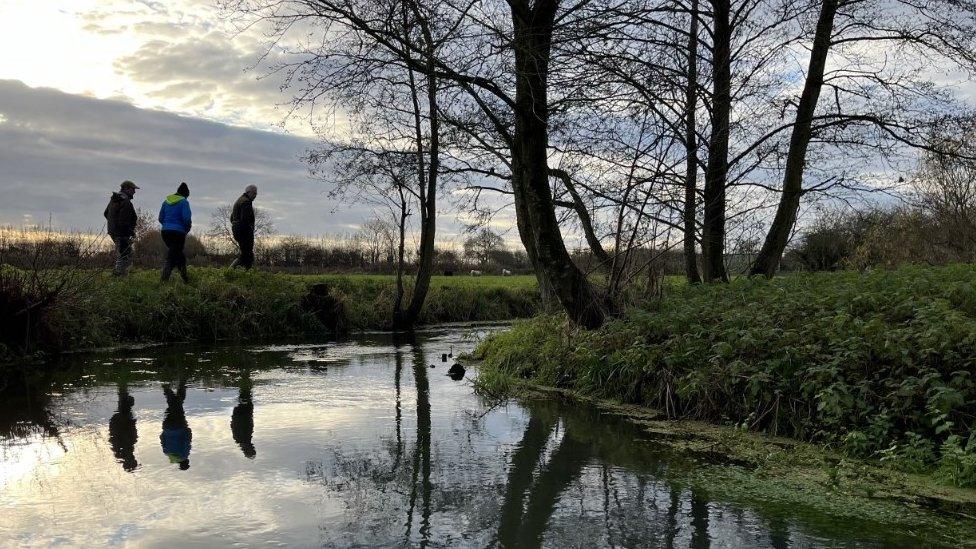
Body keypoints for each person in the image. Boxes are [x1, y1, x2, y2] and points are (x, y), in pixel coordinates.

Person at [158, 182, 192, 283]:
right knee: (172, 256)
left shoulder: (166, 202)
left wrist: (167, 225)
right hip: (178, 233)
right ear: (186, 194)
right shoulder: (184, 202)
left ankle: (185, 279)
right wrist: (186, 229)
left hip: (165, 233)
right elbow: (186, 219)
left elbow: (160, 218)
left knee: (179, 255)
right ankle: (164, 280)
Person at [104, 180, 139, 276]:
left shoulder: (114, 199)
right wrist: (130, 231)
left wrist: (113, 224)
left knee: (125, 254)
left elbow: (106, 213)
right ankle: (117, 276)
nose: (134, 192)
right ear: (127, 188)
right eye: (133, 189)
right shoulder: (125, 201)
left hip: (114, 231)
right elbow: (124, 220)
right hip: (122, 233)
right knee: (125, 255)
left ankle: (121, 275)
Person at [160, 379, 192, 470]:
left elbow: (187, 441)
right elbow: (162, 438)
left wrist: (188, 430)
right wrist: (165, 431)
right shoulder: (167, 453)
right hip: (167, 426)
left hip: (179, 426)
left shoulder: (184, 454)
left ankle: (167, 388)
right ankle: (180, 385)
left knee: (176, 405)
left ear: (186, 461)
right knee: (177, 404)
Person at [230, 185, 258, 269]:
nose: (255, 195)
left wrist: (236, 226)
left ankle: (246, 271)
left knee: (246, 253)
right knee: (247, 254)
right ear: (248, 192)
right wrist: (249, 230)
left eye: (256, 193)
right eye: (254, 193)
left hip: (237, 230)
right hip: (244, 231)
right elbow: (245, 219)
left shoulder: (239, 200)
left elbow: (232, 218)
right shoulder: (246, 202)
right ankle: (231, 270)